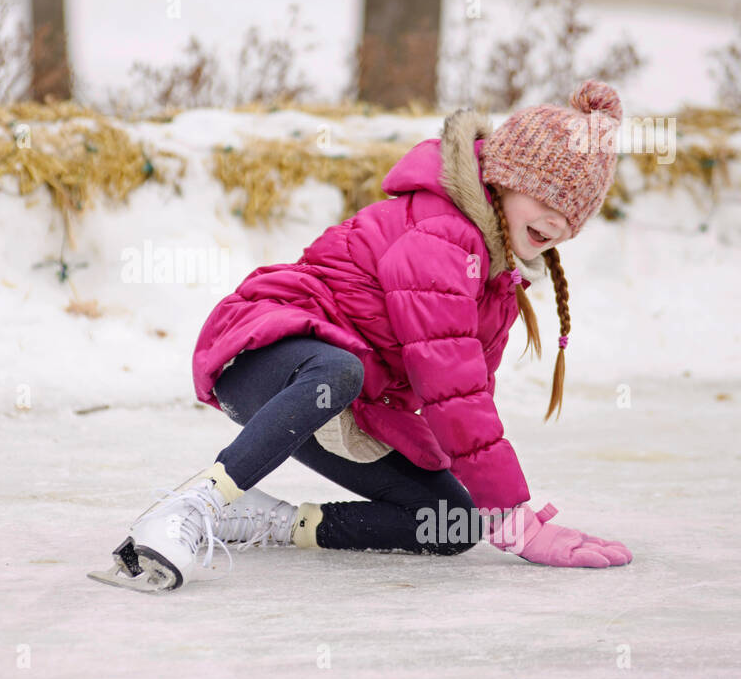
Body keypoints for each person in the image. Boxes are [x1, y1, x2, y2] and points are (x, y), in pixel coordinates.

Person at [88, 80, 633, 593]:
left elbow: (465, 400)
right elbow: (451, 388)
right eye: (547, 195)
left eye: (574, 212)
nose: (558, 219)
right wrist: (517, 522)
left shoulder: (495, 278)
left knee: (451, 523)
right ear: (503, 178)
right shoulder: (444, 238)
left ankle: (266, 521)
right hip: (265, 358)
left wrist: (496, 510)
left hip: (342, 399)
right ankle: (193, 506)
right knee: (338, 370)